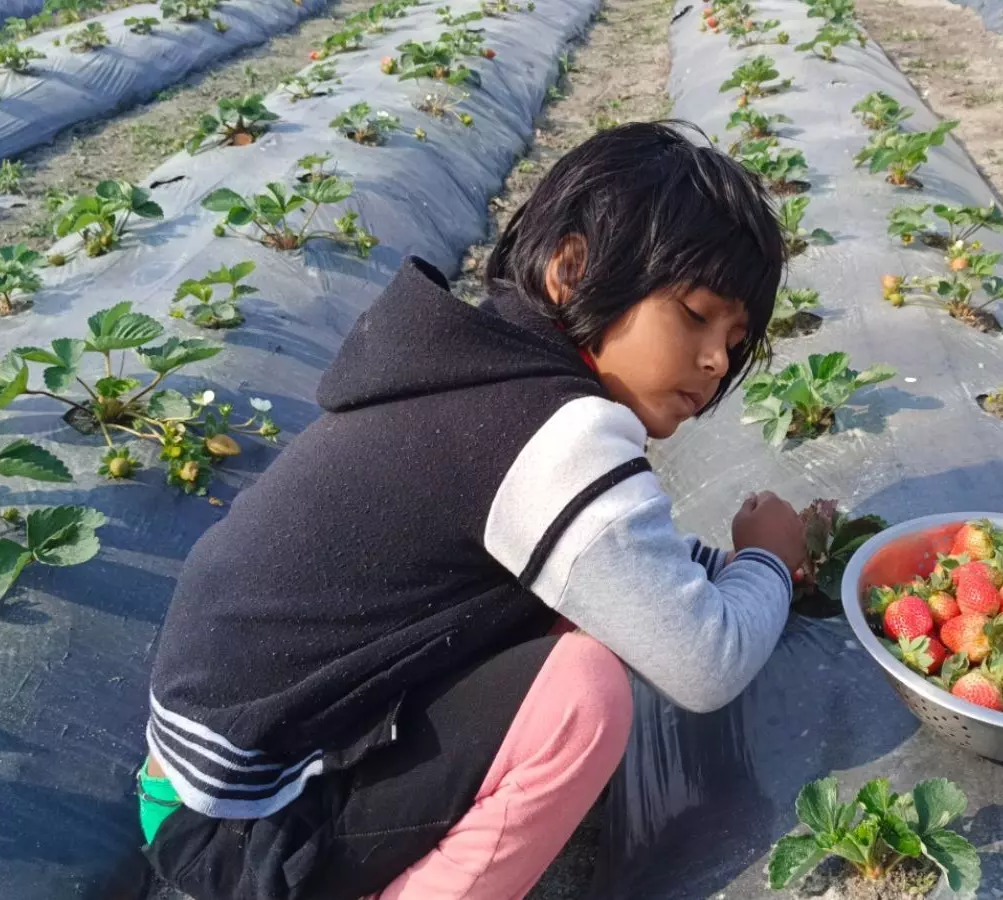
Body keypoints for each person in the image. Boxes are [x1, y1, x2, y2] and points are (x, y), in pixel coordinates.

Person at [136, 120, 810, 900]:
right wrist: (766, 565)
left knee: (577, 619)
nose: (715, 360)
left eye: (734, 339)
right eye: (695, 315)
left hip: (195, 779)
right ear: (572, 268)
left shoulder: (480, 374)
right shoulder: (553, 432)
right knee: (582, 694)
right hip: (246, 824)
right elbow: (703, 660)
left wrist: (730, 565)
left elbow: (620, 564)